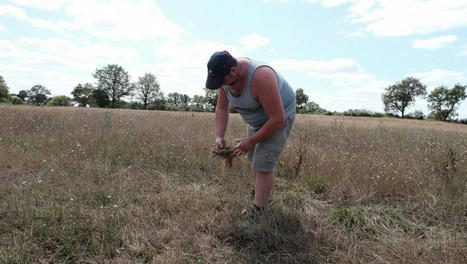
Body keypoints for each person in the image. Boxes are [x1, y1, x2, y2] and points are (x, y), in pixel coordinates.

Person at [205, 50, 296, 223]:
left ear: (232, 71)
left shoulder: (261, 76)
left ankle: (258, 213)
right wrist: (219, 136)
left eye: (222, 81)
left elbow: (277, 118)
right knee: (254, 159)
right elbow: (222, 108)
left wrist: (251, 141)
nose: (221, 86)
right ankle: (259, 192)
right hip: (256, 120)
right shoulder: (225, 81)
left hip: (278, 117)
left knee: (263, 163)